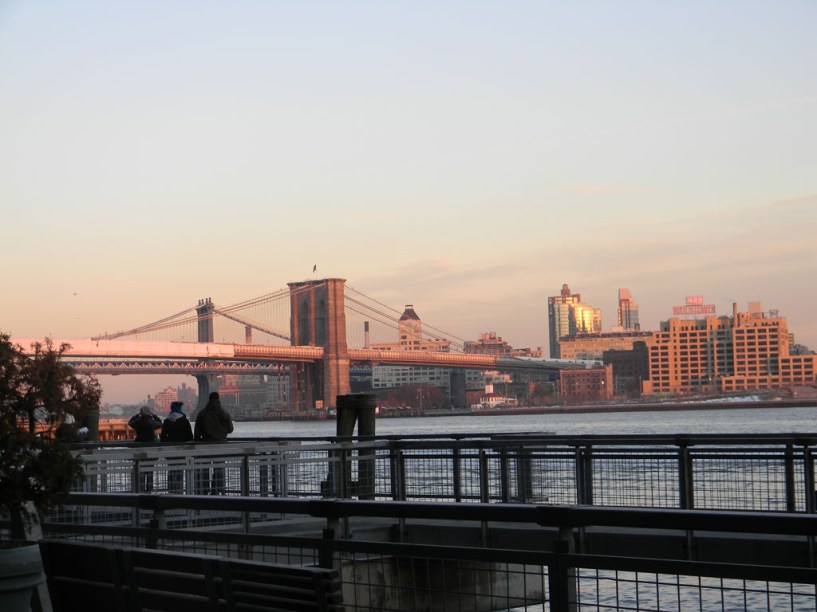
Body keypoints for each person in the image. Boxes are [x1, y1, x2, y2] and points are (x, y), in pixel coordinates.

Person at [194, 392, 234, 495]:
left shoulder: (202, 413)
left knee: (204, 468)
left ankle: (204, 489)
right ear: (218, 399)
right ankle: (218, 490)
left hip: (205, 444)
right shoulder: (225, 413)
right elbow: (230, 429)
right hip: (221, 444)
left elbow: (197, 433)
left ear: (209, 399)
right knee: (219, 468)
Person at [161, 401, 193, 493]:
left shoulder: (167, 421)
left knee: (171, 470)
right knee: (180, 471)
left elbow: (163, 437)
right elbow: (190, 436)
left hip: (169, 450)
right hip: (182, 449)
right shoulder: (184, 421)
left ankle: (171, 490)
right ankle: (179, 490)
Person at [128, 406, 162, 492]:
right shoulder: (152, 422)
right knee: (150, 471)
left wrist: (137, 415)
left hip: (140, 448)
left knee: (140, 471)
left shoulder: (138, 422)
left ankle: (141, 489)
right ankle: (149, 490)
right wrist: (153, 415)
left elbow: (130, 422)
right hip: (151, 449)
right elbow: (160, 423)